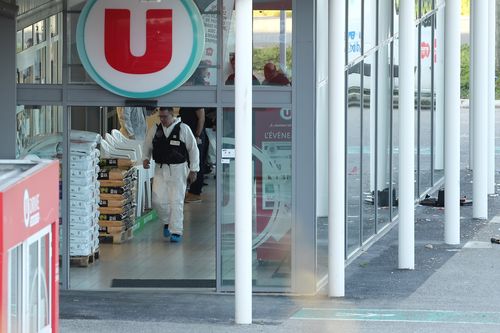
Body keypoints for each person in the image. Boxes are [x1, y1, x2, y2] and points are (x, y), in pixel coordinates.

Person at [142, 107, 199, 243]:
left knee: (176, 201)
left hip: (178, 169)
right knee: (157, 200)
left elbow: (193, 149)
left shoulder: (183, 129)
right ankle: (167, 222)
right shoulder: (155, 130)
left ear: (172, 115)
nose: (162, 119)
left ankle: (176, 231)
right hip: (160, 168)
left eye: (165, 116)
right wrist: (145, 158)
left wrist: (194, 169)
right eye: (160, 116)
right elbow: (147, 146)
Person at [179, 106, 206, 203]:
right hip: (189, 136)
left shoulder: (196, 101)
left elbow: (201, 118)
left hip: (196, 136)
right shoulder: (186, 102)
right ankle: (192, 190)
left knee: (197, 163)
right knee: (191, 162)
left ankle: (196, 193)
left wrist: (197, 135)